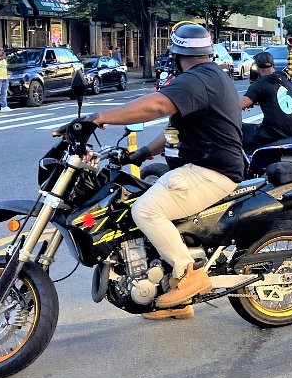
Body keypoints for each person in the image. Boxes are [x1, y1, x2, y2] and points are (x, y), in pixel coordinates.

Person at [86, 22, 243, 319]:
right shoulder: (208, 77)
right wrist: (141, 153)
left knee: (146, 210)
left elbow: (157, 105)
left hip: (210, 172)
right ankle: (176, 301)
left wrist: (100, 117)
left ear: (177, 55)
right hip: (199, 168)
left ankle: (189, 274)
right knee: (140, 205)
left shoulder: (199, 79)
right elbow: (173, 133)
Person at [241, 51, 292, 151]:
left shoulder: (259, 85)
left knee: (239, 130)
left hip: (273, 133)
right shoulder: (283, 79)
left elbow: (237, 106)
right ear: (273, 65)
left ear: (256, 66)